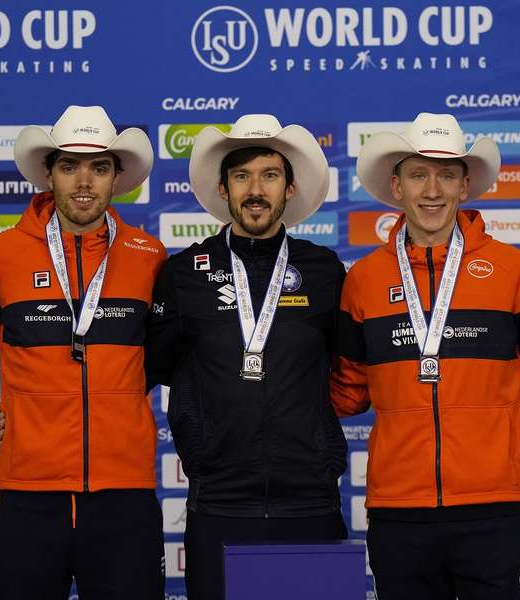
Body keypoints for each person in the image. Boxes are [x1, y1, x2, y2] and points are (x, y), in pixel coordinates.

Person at [331, 112, 520, 600]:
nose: (433, 190)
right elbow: (345, 393)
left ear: (465, 186)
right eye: (418, 175)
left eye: (446, 175)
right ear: (397, 186)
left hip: (494, 511)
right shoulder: (362, 280)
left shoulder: (515, 271)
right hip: (398, 514)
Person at [0, 105, 166, 599]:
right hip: (26, 501)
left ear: (116, 178)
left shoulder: (150, 257)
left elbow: (175, 360)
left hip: (125, 501)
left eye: (99, 167)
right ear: (48, 174)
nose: (84, 182)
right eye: (69, 166)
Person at [147, 114, 349, 598]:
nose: (255, 190)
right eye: (242, 176)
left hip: (311, 503)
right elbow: (135, 373)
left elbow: (356, 374)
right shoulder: (183, 275)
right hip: (218, 503)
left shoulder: (324, 273)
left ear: (290, 188)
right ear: (223, 189)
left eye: (269, 175)